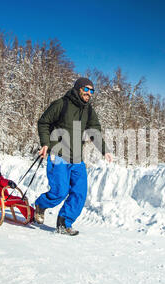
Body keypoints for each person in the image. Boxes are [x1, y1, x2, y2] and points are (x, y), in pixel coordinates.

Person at [34, 77, 112, 236]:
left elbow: (94, 132)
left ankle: (64, 222)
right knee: (60, 192)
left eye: (92, 91)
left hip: (77, 158)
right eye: (86, 89)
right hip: (59, 154)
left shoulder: (89, 110)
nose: (89, 93)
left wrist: (105, 150)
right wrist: (45, 143)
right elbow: (44, 122)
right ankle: (40, 205)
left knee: (80, 193)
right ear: (78, 89)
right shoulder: (61, 104)